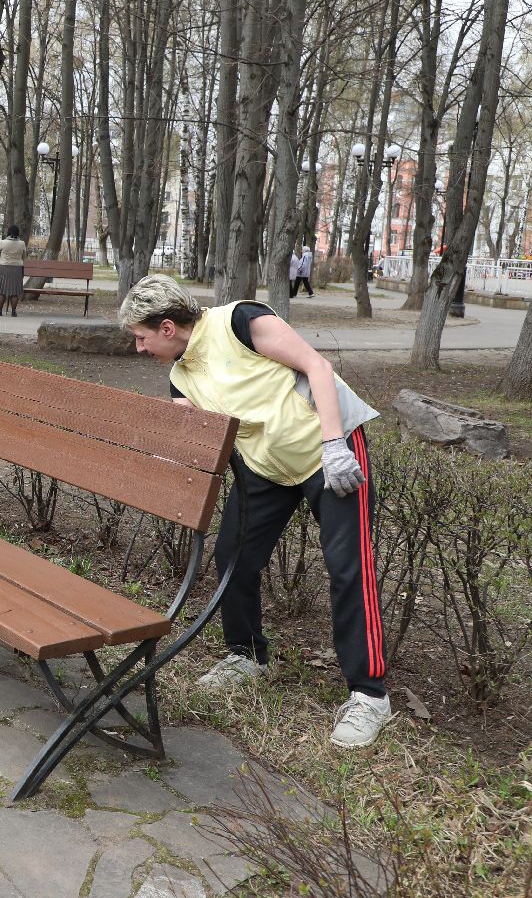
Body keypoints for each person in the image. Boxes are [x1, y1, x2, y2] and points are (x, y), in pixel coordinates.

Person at [118, 275, 393, 749]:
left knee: (350, 569)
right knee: (234, 556)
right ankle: (246, 657)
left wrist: (335, 444)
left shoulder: (240, 320)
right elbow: (208, 430)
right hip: (266, 466)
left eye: (141, 337)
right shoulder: (181, 376)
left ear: (166, 327)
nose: (139, 350)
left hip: (327, 453)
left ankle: (369, 695)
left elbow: (317, 367)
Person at [0, 225, 27, 316]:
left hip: (4, 267)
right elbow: (24, 257)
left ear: (8, 232)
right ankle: (13, 311)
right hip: (17, 268)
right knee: (14, 292)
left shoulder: (3, 242)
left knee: (1, 290)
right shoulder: (22, 243)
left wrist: (3, 259)